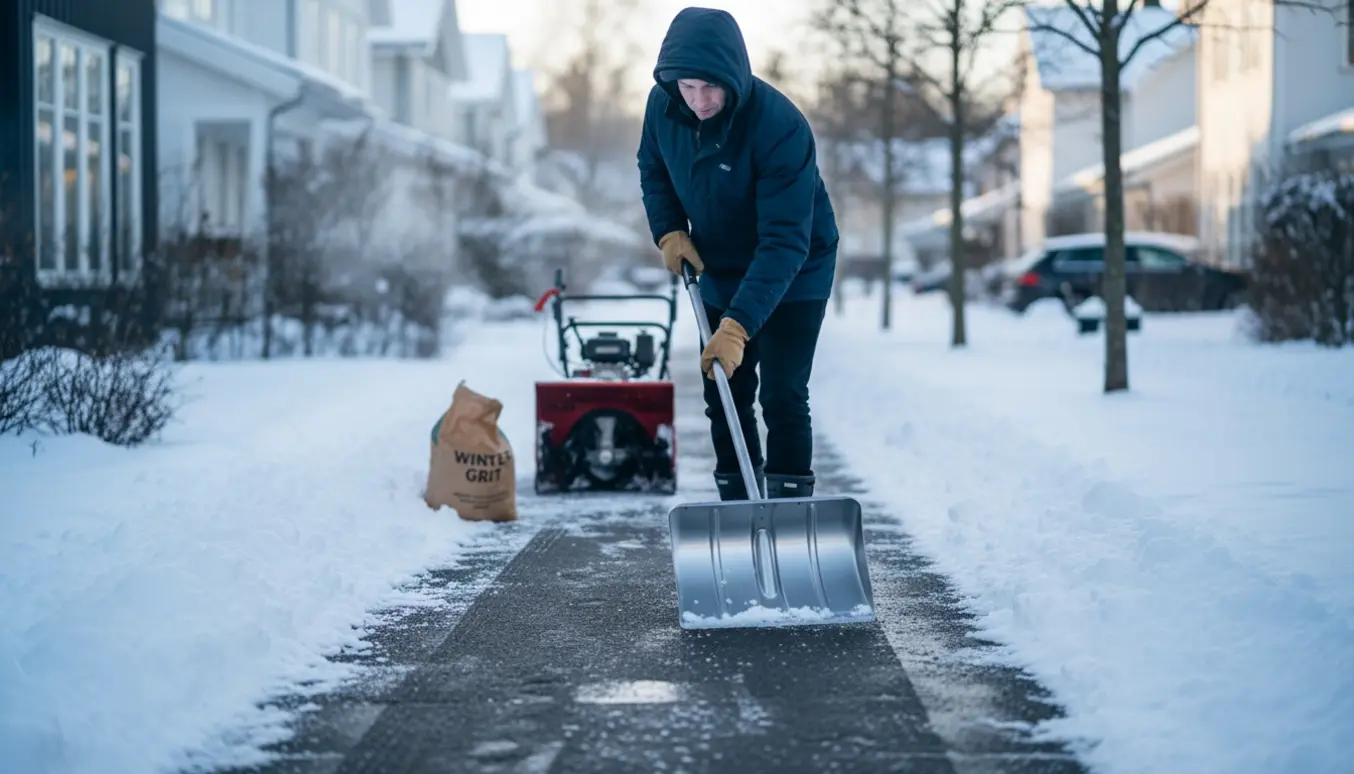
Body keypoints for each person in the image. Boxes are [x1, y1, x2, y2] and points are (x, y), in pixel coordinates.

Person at [636, 7, 840, 502]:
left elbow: (786, 240)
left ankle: (790, 510)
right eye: (688, 87)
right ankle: (740, 504)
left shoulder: (779, 126)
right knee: (723, 390)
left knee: (783, 395)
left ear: (733, 75)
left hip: (794, 271)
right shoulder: (663, 108)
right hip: (719, 267)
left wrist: (738, 326)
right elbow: (653, 167)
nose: (699, 101)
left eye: (711, 87)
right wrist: (668, 231)